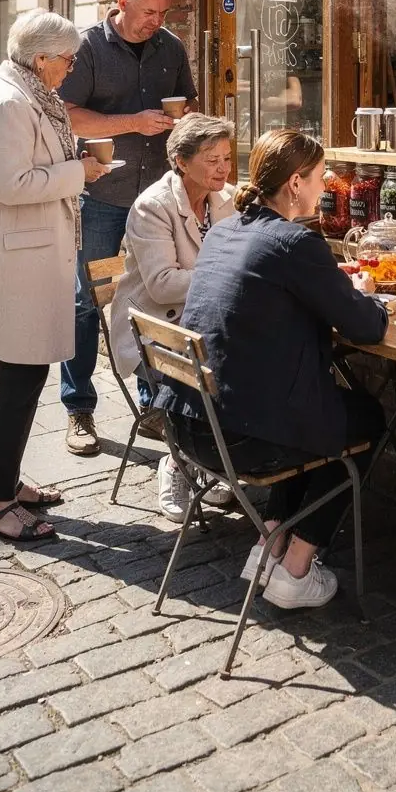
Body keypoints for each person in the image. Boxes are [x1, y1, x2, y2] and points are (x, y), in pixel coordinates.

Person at [155, 128, 388, 610]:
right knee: (366, 418)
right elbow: (365, 327)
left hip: (190, 427)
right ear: (296, 182)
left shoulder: (223, 231)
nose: (325, 187)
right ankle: (296, 567)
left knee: (307, 410)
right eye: (321, 177)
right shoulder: (295, 243)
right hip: (243, 439)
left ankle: (271, 541)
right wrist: (368, 296)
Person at [0, 9, 107, 543]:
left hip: (30, 255)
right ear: (40, 59)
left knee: (24, 375)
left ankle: (2, 480)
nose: (71, 68)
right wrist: (77, 172)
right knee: (16, 379)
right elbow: (12, 184)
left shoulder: (31, 95)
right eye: (67, 60)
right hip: (14, 262)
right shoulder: (8, 103)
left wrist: (73, 162)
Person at [59, 0, 198, 456]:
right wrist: (133, 122)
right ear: (121, 3)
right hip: (101, 196)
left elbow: (190, 107)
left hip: (156, 198)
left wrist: (187, 123)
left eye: (162, 13)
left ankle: (153, 404)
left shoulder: (171, 48)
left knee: (150, 298)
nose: (156, 22)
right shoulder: (87, 47)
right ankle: (79, 408)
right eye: (147, 12)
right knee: (85, 301)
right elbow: (69, 115)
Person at [111, 113, 237, 520]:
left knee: (254, 359)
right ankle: (178, 462)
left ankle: (211, 458)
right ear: (181, 161)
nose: (223, 168)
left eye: (227, 158)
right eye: (212, 159)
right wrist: (227, 273)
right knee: (208, 370)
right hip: (156, 329)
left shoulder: (227, 198)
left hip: (206, 322)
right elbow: (163, 285)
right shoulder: (153, 206)